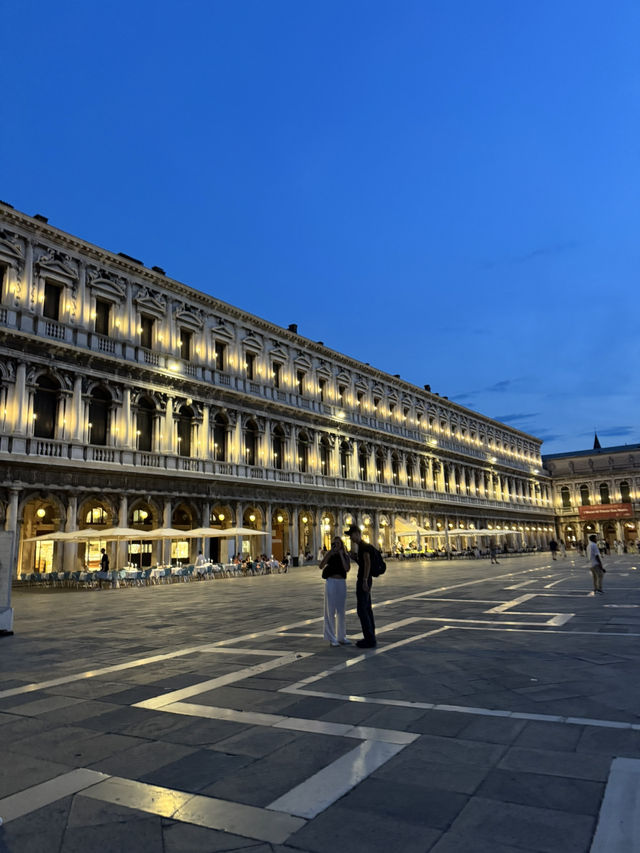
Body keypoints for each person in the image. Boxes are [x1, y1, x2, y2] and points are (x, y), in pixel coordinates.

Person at [344, 524, 376, 648]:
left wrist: (364, 580)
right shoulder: (362, 547)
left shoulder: (363, 547)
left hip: (364, 580)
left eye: (351, 535)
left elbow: (367, 563)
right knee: (367, 608)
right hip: (366, 579)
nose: (350, 538)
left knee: (362, 609)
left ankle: (369, 639)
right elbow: (363, 563)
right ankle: (370, 637)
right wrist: (355, 558)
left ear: (357, 534)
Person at [319, 537, 351, 647]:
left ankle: (341, 637)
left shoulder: (345, 556)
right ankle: (332, 637)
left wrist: (341, 554)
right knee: (330, 610)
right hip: (331, 581)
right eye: (334, 543)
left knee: (341, 611)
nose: (336, 545)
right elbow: (321, 566)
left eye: (338, 543)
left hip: (341, 582)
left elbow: (346, 568)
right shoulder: (329, 554)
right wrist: (329, 553)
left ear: (342, 545)